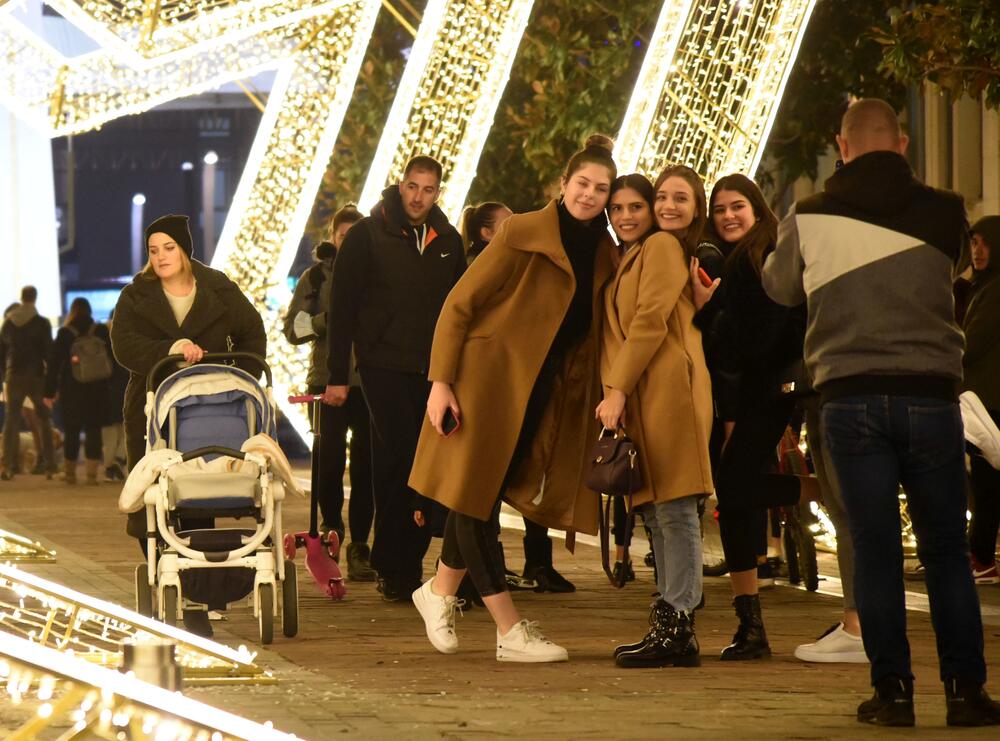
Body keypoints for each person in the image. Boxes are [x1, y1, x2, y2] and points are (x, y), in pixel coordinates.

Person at [762, 98, 999, 726]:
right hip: (930, 395)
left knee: (873, 548)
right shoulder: (946, 212)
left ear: (841, 147)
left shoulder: (808, 214)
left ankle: (892, 692)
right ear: (902, 144)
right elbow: (946, 271)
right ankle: (965, 692)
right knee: (947, 548)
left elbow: (780, 288)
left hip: (849, 396)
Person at [407, 134, 617, 662]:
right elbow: (459, 305)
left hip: (543, 391)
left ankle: (439, 591)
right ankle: (509, 629)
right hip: (488, 378)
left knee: (483, 492)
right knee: (475, 495)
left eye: (602, 189)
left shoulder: (606, 251)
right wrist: (441, 381)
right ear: (564, 184)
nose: (590, 195)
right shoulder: (522, 231)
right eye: (583, 184)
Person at [111, 214, 266, 637]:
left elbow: (253, 332)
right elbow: (123, 344)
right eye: (154, 250)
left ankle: (206, 588)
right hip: (151, 404)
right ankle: (164, 573)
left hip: (211, 403)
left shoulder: (218, 287)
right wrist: (170, 348)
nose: (161, 257)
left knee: (203, 487)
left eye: (168, 248)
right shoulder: (137, 295)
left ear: (185, 250)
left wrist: (241, 376)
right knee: (153, 494)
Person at [325, 156, 466, 601]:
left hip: (432, 371)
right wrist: (337, 376)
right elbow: (342, 310)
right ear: (400, 185)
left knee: (409, 464)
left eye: (428, 189)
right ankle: (395, 565)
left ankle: (402, 564)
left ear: (437, 193)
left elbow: (459, 310)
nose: (418, 196)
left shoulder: (448, 241)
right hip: (381, 365)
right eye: (412, 186)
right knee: (405, 456)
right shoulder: (368, 235)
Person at [696, 173, 816, 661]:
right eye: (720, 208)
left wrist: (706, 311)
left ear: (757, 209)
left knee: (736, 487)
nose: (728, 215)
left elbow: (756, 338)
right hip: (757, 393)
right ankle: (750, 625)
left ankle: (818, 491)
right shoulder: (741, 258)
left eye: (737, 206)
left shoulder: (762, 255)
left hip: (770, 391)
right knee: (736, 496)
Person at [598, 173, 713, 668]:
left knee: (675, 506)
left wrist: (616, 389)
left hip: (668, 390)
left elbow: (649, 320)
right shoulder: (634, 255)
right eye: (617, 208)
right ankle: (670, 623)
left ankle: (678, 622)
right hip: (648, 391)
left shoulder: (661, 246)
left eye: (636, 206)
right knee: (655, 509)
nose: (627, 216)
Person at [461, 201, 576, 593]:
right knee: (483, 483)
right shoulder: (489, 264)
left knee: (512, 472)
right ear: (487, 234)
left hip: (529, 375)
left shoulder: (527, 260)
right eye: (508, 224)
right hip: (495, 380)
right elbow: (461, 312)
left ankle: (524, 565)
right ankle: (473, 577)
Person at [284, 204, 375, 581]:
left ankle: (360, 548)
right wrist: (327, 321)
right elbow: (293, 330)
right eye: (343, 235)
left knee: (368, 467)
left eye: (356, 236)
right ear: (333, 238)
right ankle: (332, 529)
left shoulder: (379, 274)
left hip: (370, 382)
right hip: (324, 381)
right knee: (328, 460)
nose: (348, 242)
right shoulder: (316, 277)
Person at [962, 216, 1000, 584]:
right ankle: (981, 554)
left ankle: (982, 557)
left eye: (984, 243)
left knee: (988, 483)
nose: (977, 250)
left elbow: (972, 343)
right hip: (984, 398)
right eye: (973, 242)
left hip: (990, 400)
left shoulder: (995, 289)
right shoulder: (981, 287)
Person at [44, 297, 109, 485]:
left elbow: (54, 364)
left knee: (71, 430)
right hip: (97, 387)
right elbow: (111, 360)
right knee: (94, 429)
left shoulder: (65, 333)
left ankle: (70, 473)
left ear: (73, 311)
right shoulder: (101, 330)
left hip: (72, 388)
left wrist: (49, 391)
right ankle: (91, 474)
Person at [0, 286, 56, 480]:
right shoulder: (42, 323)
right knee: (44, 420)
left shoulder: (8, 323)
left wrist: (3, 378)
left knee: (11, 421)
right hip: (36, 377)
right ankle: (50, 465)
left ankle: (8, 466)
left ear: (21, 298)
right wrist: (52, 383)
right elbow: (50, 353)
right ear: (35, 298)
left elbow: (1, 353)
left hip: (13, 376)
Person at [101, 308, 129, 482]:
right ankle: (120, 459)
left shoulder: (101, 335)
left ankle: (109, 465)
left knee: (110, 431)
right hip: (125, 385)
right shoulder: (127, 335)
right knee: (127, 427)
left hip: (105, 387)